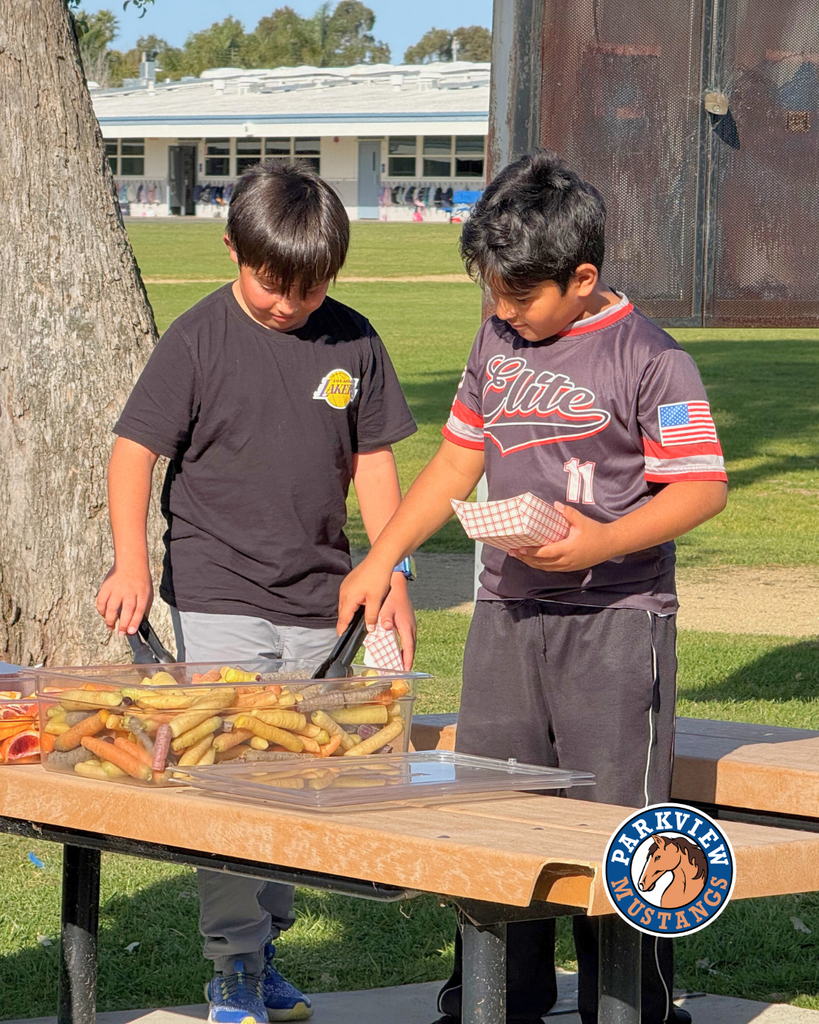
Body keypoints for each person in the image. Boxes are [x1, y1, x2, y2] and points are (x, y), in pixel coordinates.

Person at [338, 150, 728, 1024]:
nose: (502, 311)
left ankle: (629, 1006)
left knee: (615, 825)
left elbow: (702, 487)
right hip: (506, 613)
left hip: (616, 620)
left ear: (581, 279)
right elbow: (455, 460)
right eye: (492, 293)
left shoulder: (650, 357)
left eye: (518, 297)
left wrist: (603, 541)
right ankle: (491, 1002)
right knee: (495, 808)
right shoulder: (495, 342)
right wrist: (379, 557)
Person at [96, 160, 418, 1024]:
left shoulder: (353, 341)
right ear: (233, 250)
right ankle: (233, 962)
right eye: (272, 284)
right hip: (217, 585)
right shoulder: (197, 338)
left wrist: (389, 570)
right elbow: (134, 452)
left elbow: (374, 463)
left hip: (321, 598)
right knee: (230, 773)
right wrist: (131, 564)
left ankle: (265, 946)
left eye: (309, 289)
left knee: (296, 773)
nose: (288, 305)